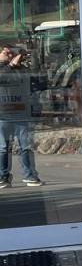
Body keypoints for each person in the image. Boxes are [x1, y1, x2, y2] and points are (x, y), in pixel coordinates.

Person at [0, 46, 42, 188]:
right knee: (3, 147)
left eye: (12, 53)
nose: (10, 55)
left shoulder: (19, 69)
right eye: (6, 53)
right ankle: (2, 177)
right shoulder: (5, 69)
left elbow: (33, 84)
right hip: (3, 115)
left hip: (21, 113)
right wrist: (11, 65)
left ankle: (29, 176)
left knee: (25, 146)